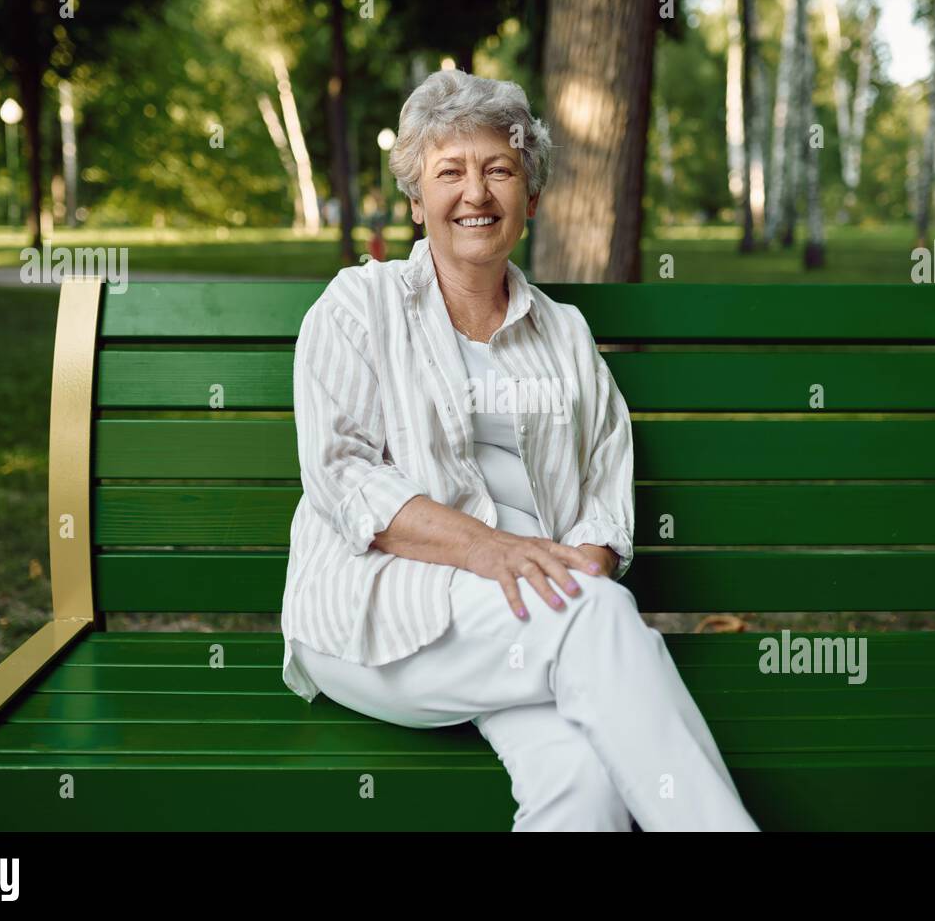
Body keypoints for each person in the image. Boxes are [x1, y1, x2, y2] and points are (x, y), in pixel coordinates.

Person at [280, 69, 760, 832]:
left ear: (530, 199)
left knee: (582, 789)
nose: (476, 193)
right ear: (415, 201)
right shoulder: (357, 307)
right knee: (598, 618)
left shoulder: (564, 332)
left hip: (528, 619)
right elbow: (343, 479)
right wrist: (493, 550)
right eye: (450, 173)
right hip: (374, 614)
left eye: (499, 169)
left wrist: (589, 559)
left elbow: (605, 477)